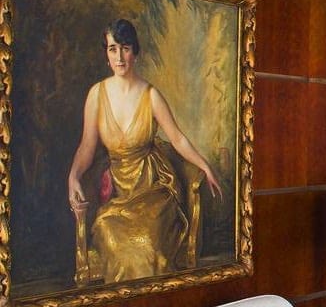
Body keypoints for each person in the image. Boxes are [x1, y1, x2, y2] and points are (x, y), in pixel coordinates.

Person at [66, 18, 222, 283]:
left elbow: (178, 139)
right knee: (111, 234)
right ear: (106, 53)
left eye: (125, 48)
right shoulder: (96, 94)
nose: (119, 57)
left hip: (154, 189)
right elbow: (87, 146)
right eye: (112, 48)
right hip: (119, 194)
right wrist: (73, 176)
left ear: (135, 52)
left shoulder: (150, 95)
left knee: (147, 243)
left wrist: (205, 166)